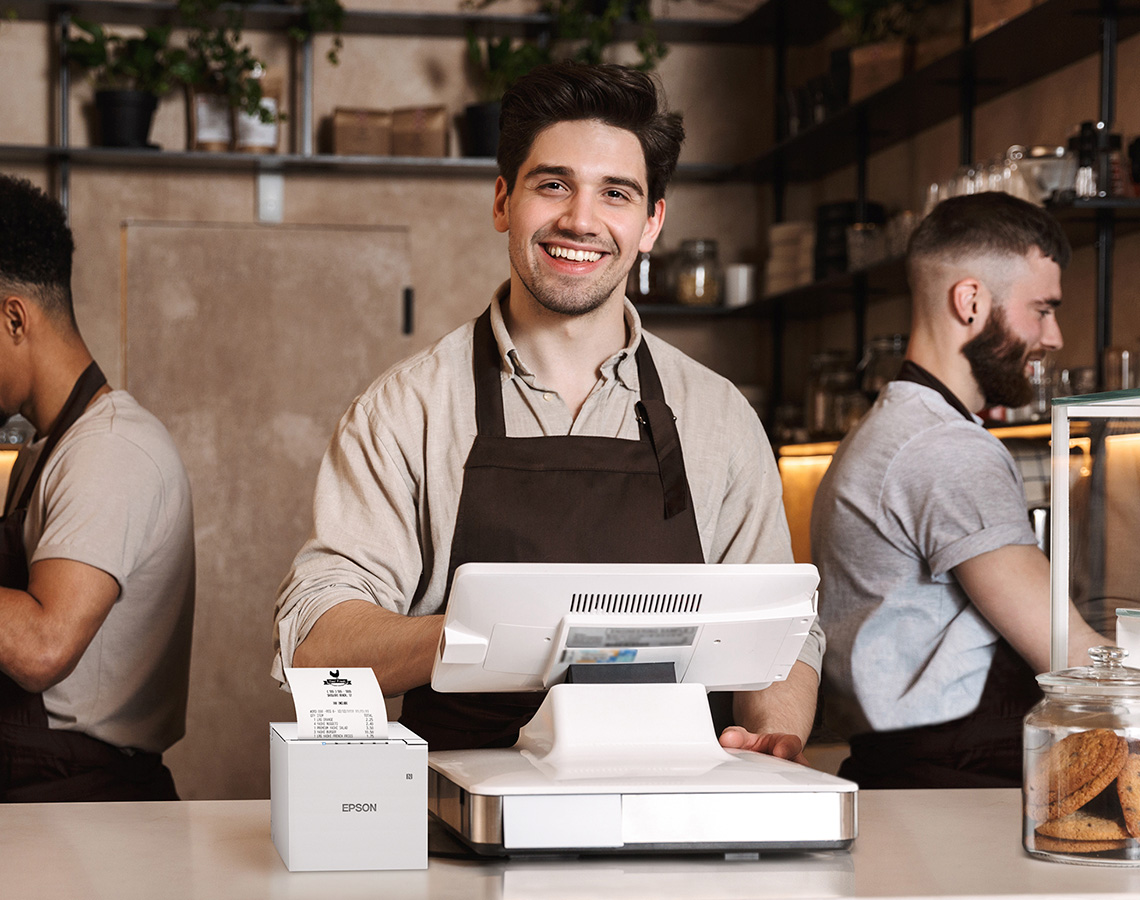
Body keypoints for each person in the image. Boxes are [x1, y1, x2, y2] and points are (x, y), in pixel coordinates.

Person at [273, 61, 823, 761]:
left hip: (673, 818)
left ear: (651, 223)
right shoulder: (406, 410)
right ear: (504, 201)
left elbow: (782, 628)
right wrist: (498, 630)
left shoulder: (717, 417)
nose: (580, 220)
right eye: (553, 184)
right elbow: (318, 643)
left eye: (616, 194)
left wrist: (775, 732)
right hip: (464, 826)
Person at [811, 191, 1105, 789]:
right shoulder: (945, 448)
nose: (1053, 337)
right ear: (971, 301)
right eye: (1042, 309)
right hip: (951, 789)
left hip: (912, 775)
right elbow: (1068, 654)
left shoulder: (897, 427)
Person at [0, 174, 195, 801]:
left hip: (84, 804)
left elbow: (40, 645)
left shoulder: (112, 449)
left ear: (13, 318)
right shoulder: (44, 451)